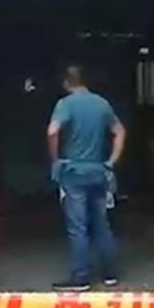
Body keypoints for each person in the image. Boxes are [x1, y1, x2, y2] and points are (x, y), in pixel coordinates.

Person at [47, 64, 126, 291]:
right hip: (98, 171)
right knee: (101, 222)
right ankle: (110, 274)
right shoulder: (102, 104)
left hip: (74, 172)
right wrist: (111, 161)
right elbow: (120, 131)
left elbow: (52, 131)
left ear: (66, 82)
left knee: (78, 226)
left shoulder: (65, 104)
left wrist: (56, 160)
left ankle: (81, 277)